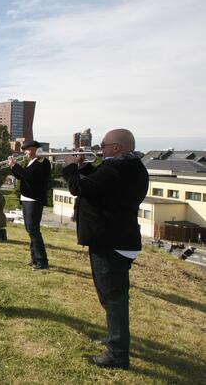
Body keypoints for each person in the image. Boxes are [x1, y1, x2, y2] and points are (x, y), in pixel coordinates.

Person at [62, 129, 148, 369]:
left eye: (104, 145)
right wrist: (82, 167)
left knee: (114, 298)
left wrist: (70, 168)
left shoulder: (116, 168)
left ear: (117, 148)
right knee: (110, 297)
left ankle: (117, 354)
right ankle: (114, 340)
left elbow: (80, 188)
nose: (100, 148)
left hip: (111, 240)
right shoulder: (130, 166)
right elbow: (99, 183)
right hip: (116, 238)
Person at [9, 140, 51, 269]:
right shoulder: (32, 162)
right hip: (27, 198)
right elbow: (23, 177)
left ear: (33, 149)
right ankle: (35, 259)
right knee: (30, 230)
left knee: (33, 230)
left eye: (26, 149)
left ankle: (42, 261)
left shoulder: (42, 162)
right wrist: (13, 168)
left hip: (34, 199)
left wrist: (16, 166)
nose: (24, 152)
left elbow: (30, 176)